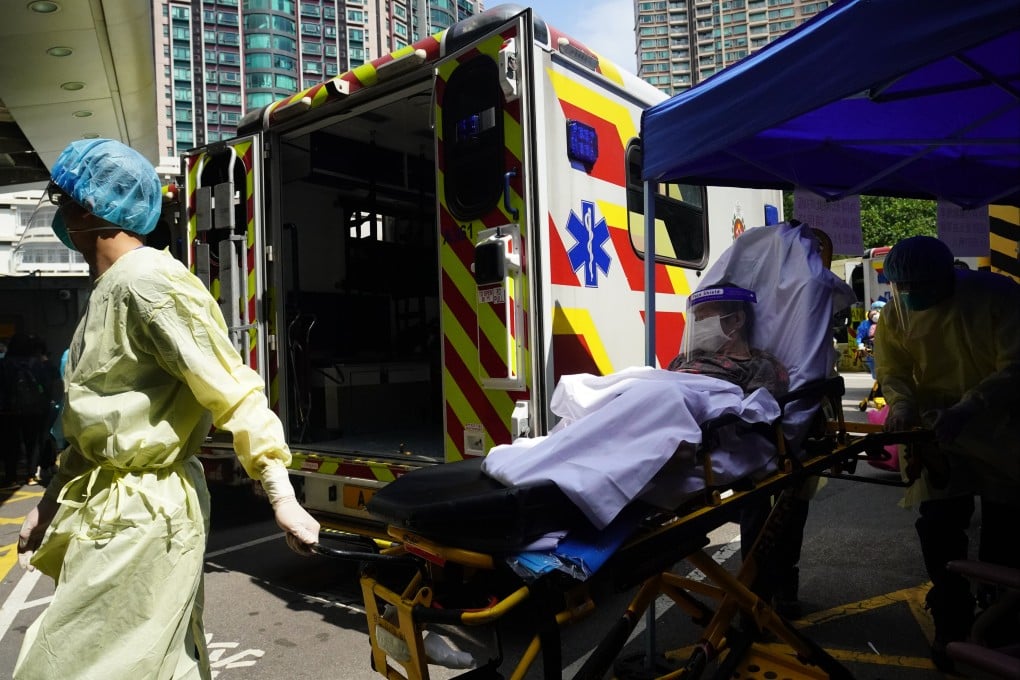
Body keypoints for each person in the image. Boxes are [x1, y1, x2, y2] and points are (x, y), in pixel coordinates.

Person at [15, 138, 321, 679]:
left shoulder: (151, 282)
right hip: (113, 509)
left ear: (93, 208)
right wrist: (49, 503)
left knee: (86, 664)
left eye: (64, 201)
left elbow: (229, 385)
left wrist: (280, 490)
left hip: (144, 513)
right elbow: (98, 421)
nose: (61, 216)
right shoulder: (109, 290)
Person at [874, 235, 1020, 671]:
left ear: (947, 275)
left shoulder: (997, 297)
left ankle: (1001, 623)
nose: (912, 295)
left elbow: (1016, 367)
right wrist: (900, 403)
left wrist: (971, 406)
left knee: (1006, 533)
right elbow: (892, 366)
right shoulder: (898, 310)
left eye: (920, 286)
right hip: (939, 435)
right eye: (904, 288)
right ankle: (952, 619)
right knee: (938, 526)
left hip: (1003, 432)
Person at [0, 333, 55, 488]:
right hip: (33, 410)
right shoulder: (35, 363)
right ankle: (30, 475)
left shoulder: (5, 363)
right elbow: (45, 386)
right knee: (32, 442)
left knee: (10, 444)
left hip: (8, 411)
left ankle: (11, 477)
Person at [854, 300, 885, 379]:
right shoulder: (865, 324)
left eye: (880, 309)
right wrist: (860, 345)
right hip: (871, 350)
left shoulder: (889, 322)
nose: (878, 312)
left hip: (886, 350)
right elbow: (860, 336)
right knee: (875, 371)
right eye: (875, 309)